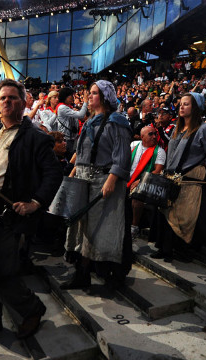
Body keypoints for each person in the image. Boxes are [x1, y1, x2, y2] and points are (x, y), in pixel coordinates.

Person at [0, 79, 62, 342]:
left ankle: (32, 310)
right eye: (3, 98)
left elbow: (53, 173)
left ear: (24, 102)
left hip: (8, 215)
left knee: (3, 271)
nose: (6, 102)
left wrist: (36, 202)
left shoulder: (36, 137)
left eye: (13, 98)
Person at [61, 80, 132, 290]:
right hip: (83, 181)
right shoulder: (91, 120)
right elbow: (81, 154)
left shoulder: (117, 122)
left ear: (104, 97)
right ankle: (82, 274)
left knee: (103, 231)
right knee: (83, 231)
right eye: (89, 93)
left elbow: (122, 156)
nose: (88, 97)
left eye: (93, 93)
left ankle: (112, 275)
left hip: (103, 182)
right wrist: (73, 174)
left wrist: (111, 180)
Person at [149, 92, 206, 260]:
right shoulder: (177, 128)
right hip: (171, 178)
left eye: (186, 104)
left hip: (190, 180)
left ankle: (183, 250)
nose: (181, 107)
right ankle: (165, 248)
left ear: (195, 107)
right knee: (167, 213)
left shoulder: (204, 129)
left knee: (186, 216)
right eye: (181, 104)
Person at [127, 125, 166, 240]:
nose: (154, 136)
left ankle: (134, 227)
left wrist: (141, 180)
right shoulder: (134, 145)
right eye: (151, 134)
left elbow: (158, 170)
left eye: (155, 134)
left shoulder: (160, 151)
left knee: (138, 194)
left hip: (148, 181)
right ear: (142, 136)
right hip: (128, 179)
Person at [49, 87, 89, 156]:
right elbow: (81, 115)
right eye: (71, 96)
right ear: (65, 96)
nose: (73, 98)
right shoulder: (62, 107)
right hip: (66, 139)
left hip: (71, 138)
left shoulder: (67, 107)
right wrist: (85, 101)